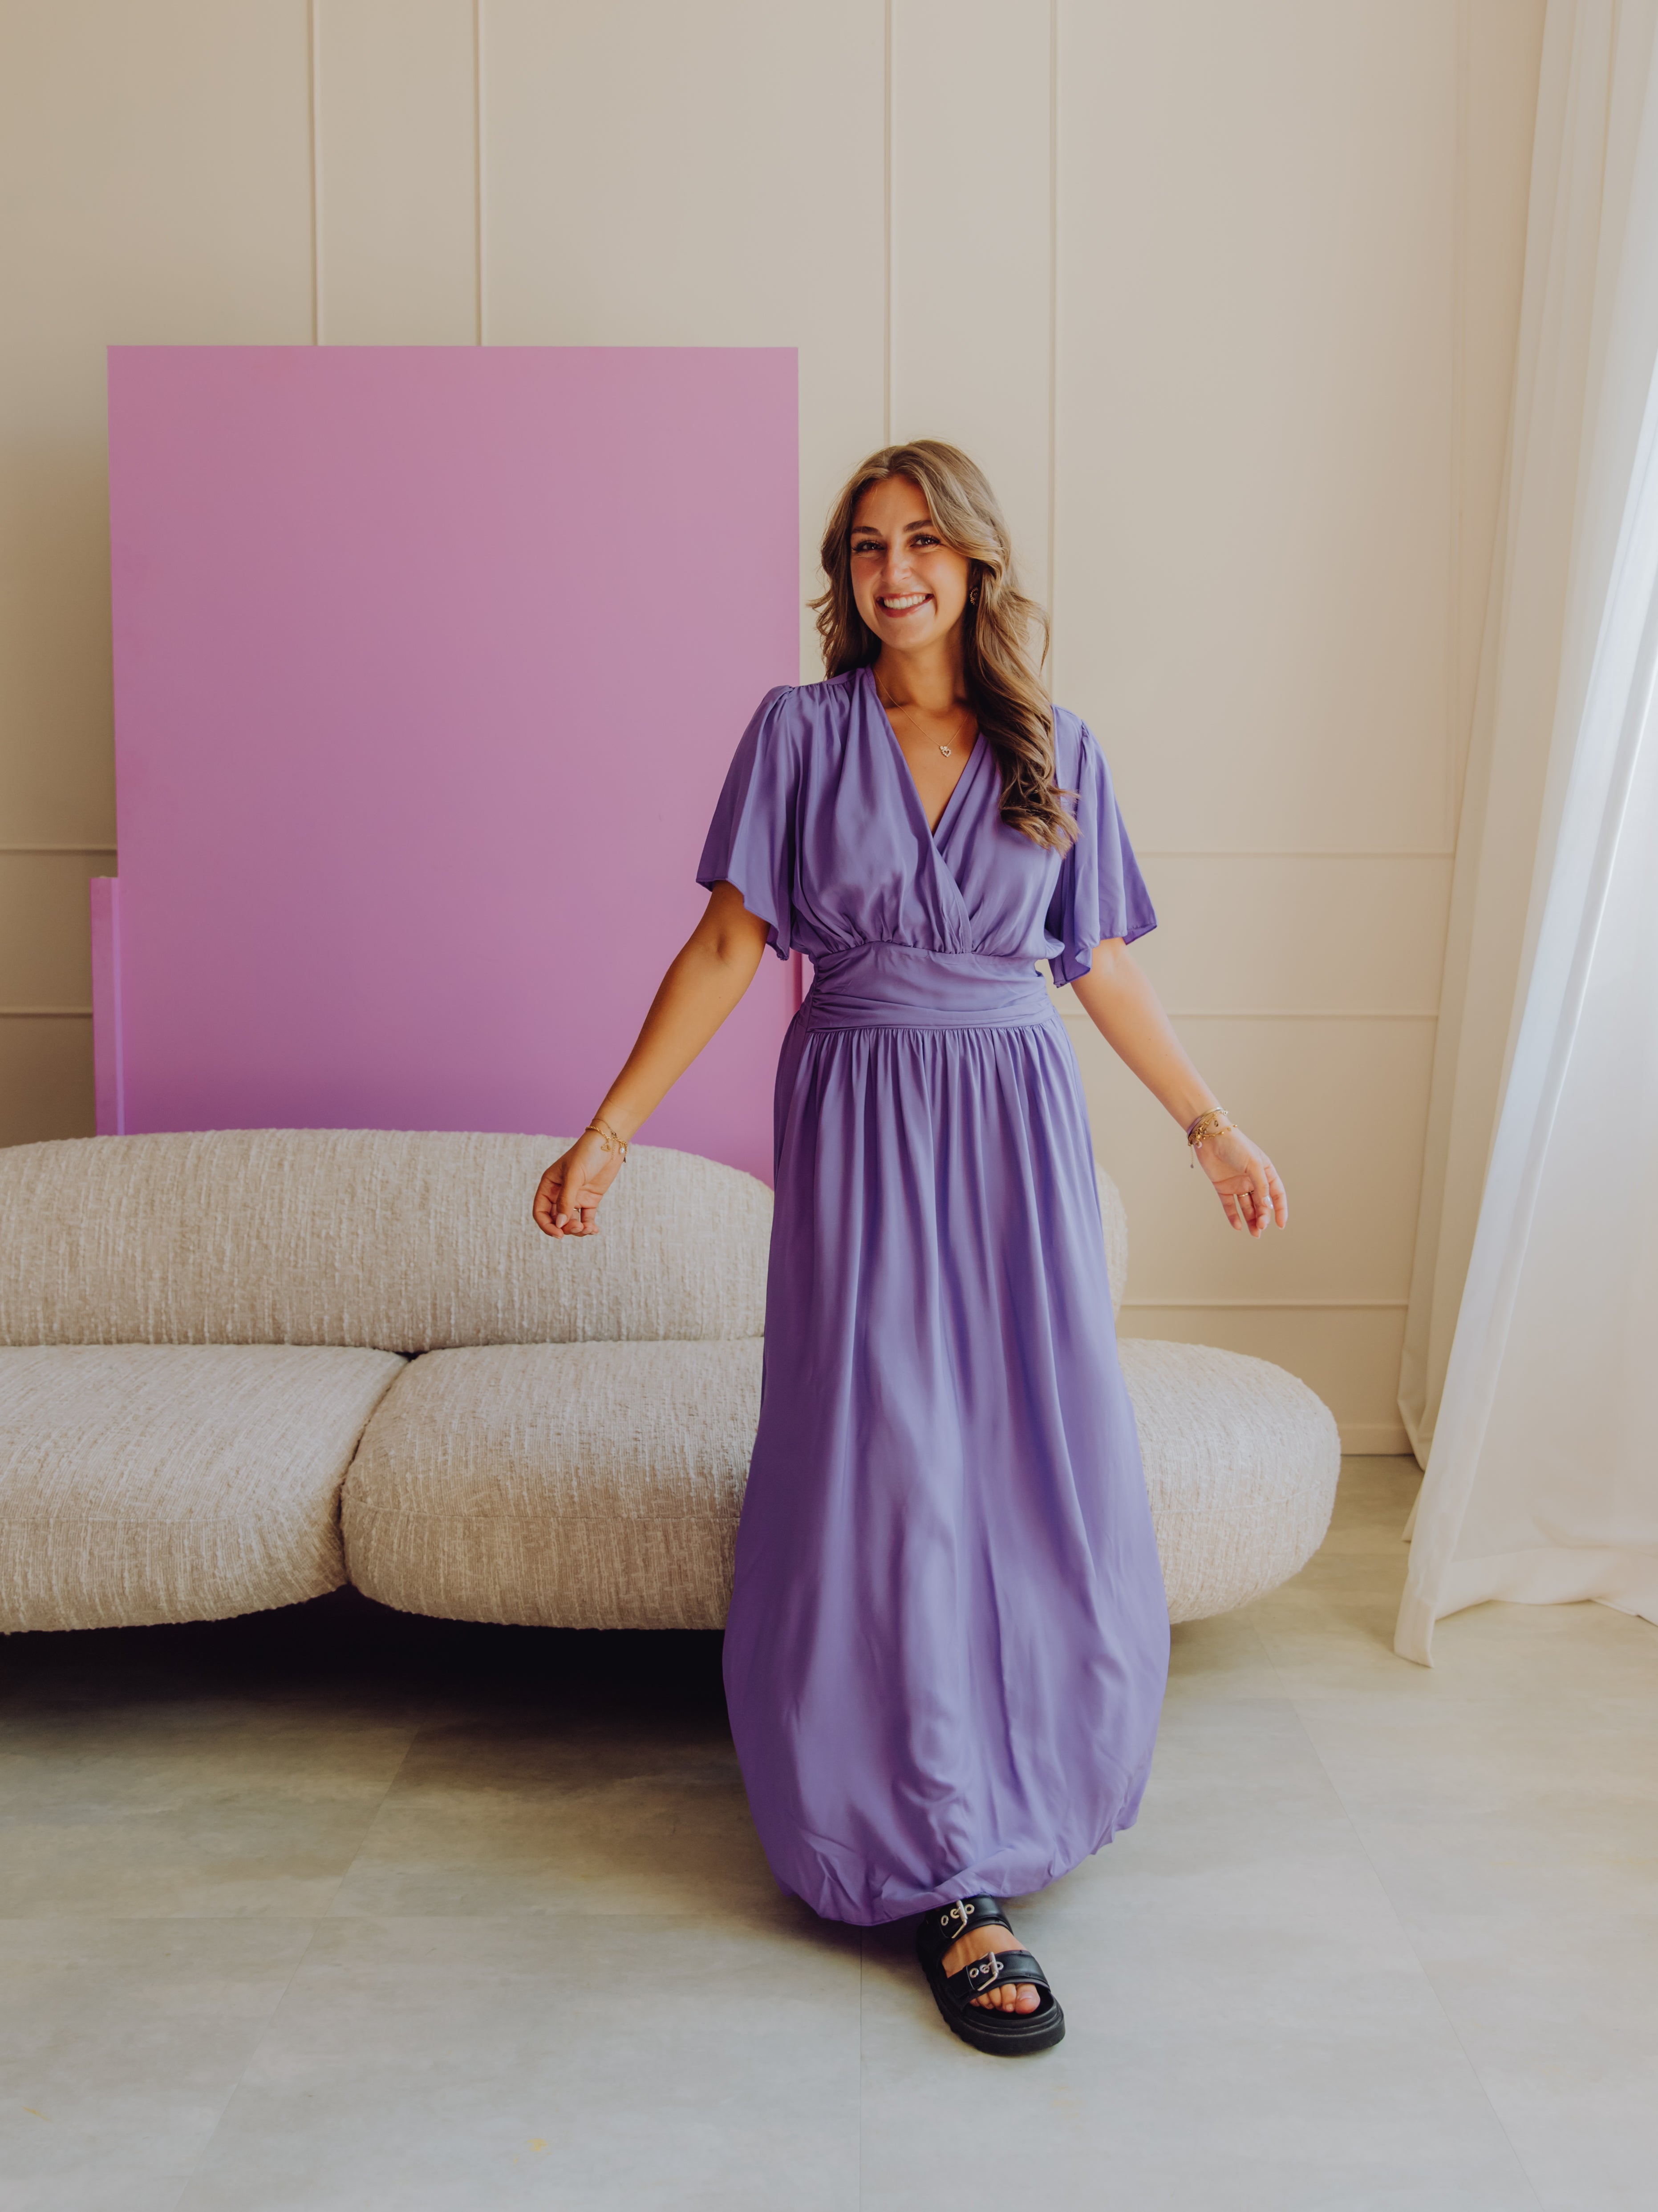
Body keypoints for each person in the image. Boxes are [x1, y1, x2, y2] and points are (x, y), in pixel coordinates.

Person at [533, 440, 1286, 2056]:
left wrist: (1210, 1124)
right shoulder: (799, 734)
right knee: (887, 1461)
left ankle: (1025, 1791)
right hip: (864, 1122)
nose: (896, 571)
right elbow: (728, 942)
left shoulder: (1056, 747)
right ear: (845, 576)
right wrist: (610, 1129)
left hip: (1018, 1129)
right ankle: (939, 1857)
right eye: (868, 546)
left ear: (977, 562)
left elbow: (1101, 963)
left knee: (1022, 1454)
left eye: (925, 541)